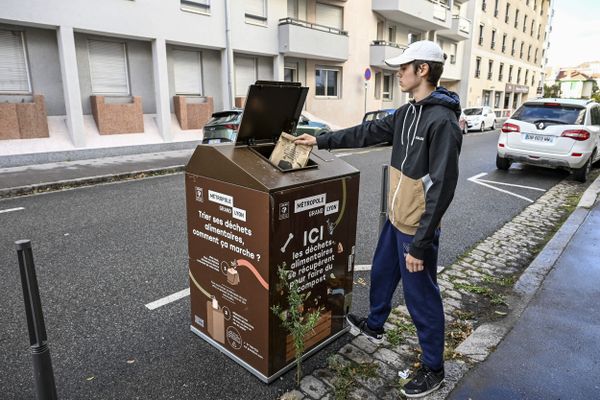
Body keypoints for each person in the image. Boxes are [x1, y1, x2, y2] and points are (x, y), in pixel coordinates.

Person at [294, 40, 462, 398]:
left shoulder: (442, 120)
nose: (397, 72)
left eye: (404, 67)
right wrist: (321, 140)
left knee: (422, 298)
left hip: (417, 227)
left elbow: (443, 186)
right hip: (396, 218)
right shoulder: (406, 113)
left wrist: (421, 242)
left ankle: (434, 368)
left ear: (423, 70)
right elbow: (365, 133)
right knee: (383, 274)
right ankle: (375, 324)